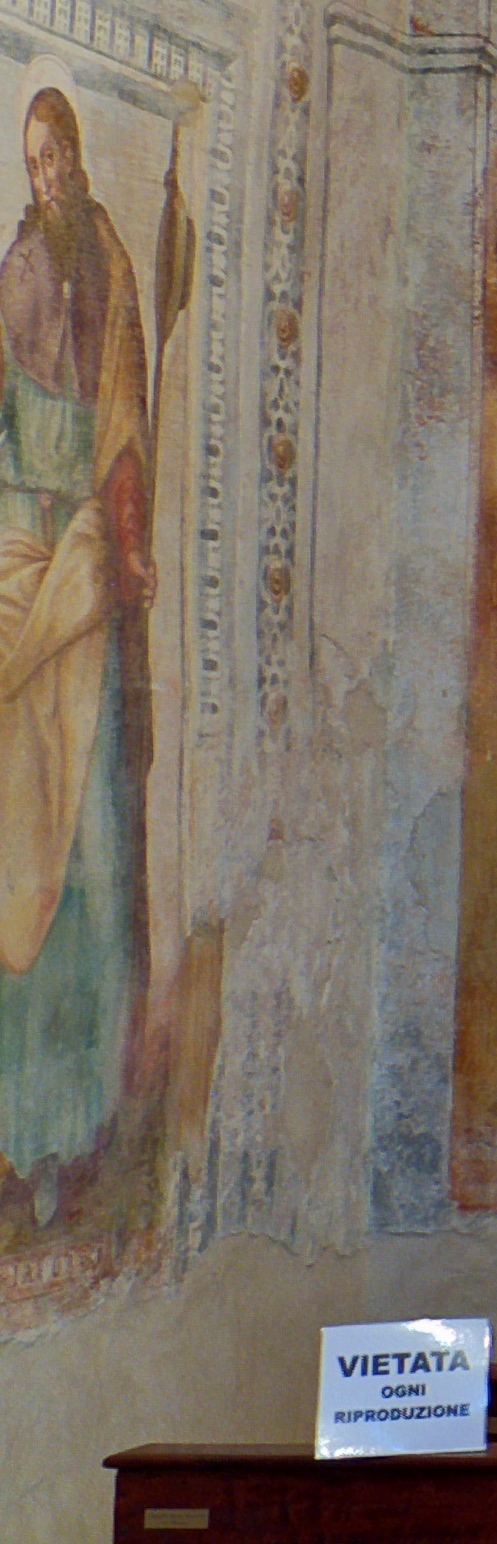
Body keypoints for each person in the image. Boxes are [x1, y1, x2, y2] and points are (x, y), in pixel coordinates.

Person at [0, 89, 153, 1190]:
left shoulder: (104, 264)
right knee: (15, 852)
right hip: (17, 563)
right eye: (33, 161)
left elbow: (124, 435)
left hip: (88, 570)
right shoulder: (16, 271)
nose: (47, 175)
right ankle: (17, 1127)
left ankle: (85, 1121)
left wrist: (125, 543)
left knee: (93, 852)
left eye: (59, 157)